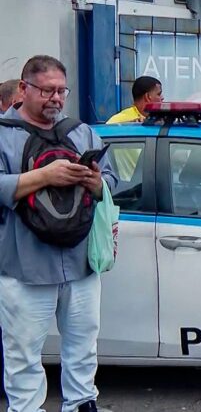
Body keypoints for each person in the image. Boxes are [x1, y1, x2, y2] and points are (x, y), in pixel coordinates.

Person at [0, 55, 117, 412]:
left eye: (61, 91)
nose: (55, 98)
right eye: (47, 90)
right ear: (23, 89)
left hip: (81, 265)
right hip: (25, 269)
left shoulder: (82, 132)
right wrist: (44, 177)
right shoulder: (4, 135)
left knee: (83, 351)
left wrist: (97, 183)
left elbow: (112, 184)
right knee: (23, 359)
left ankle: (82, 405)